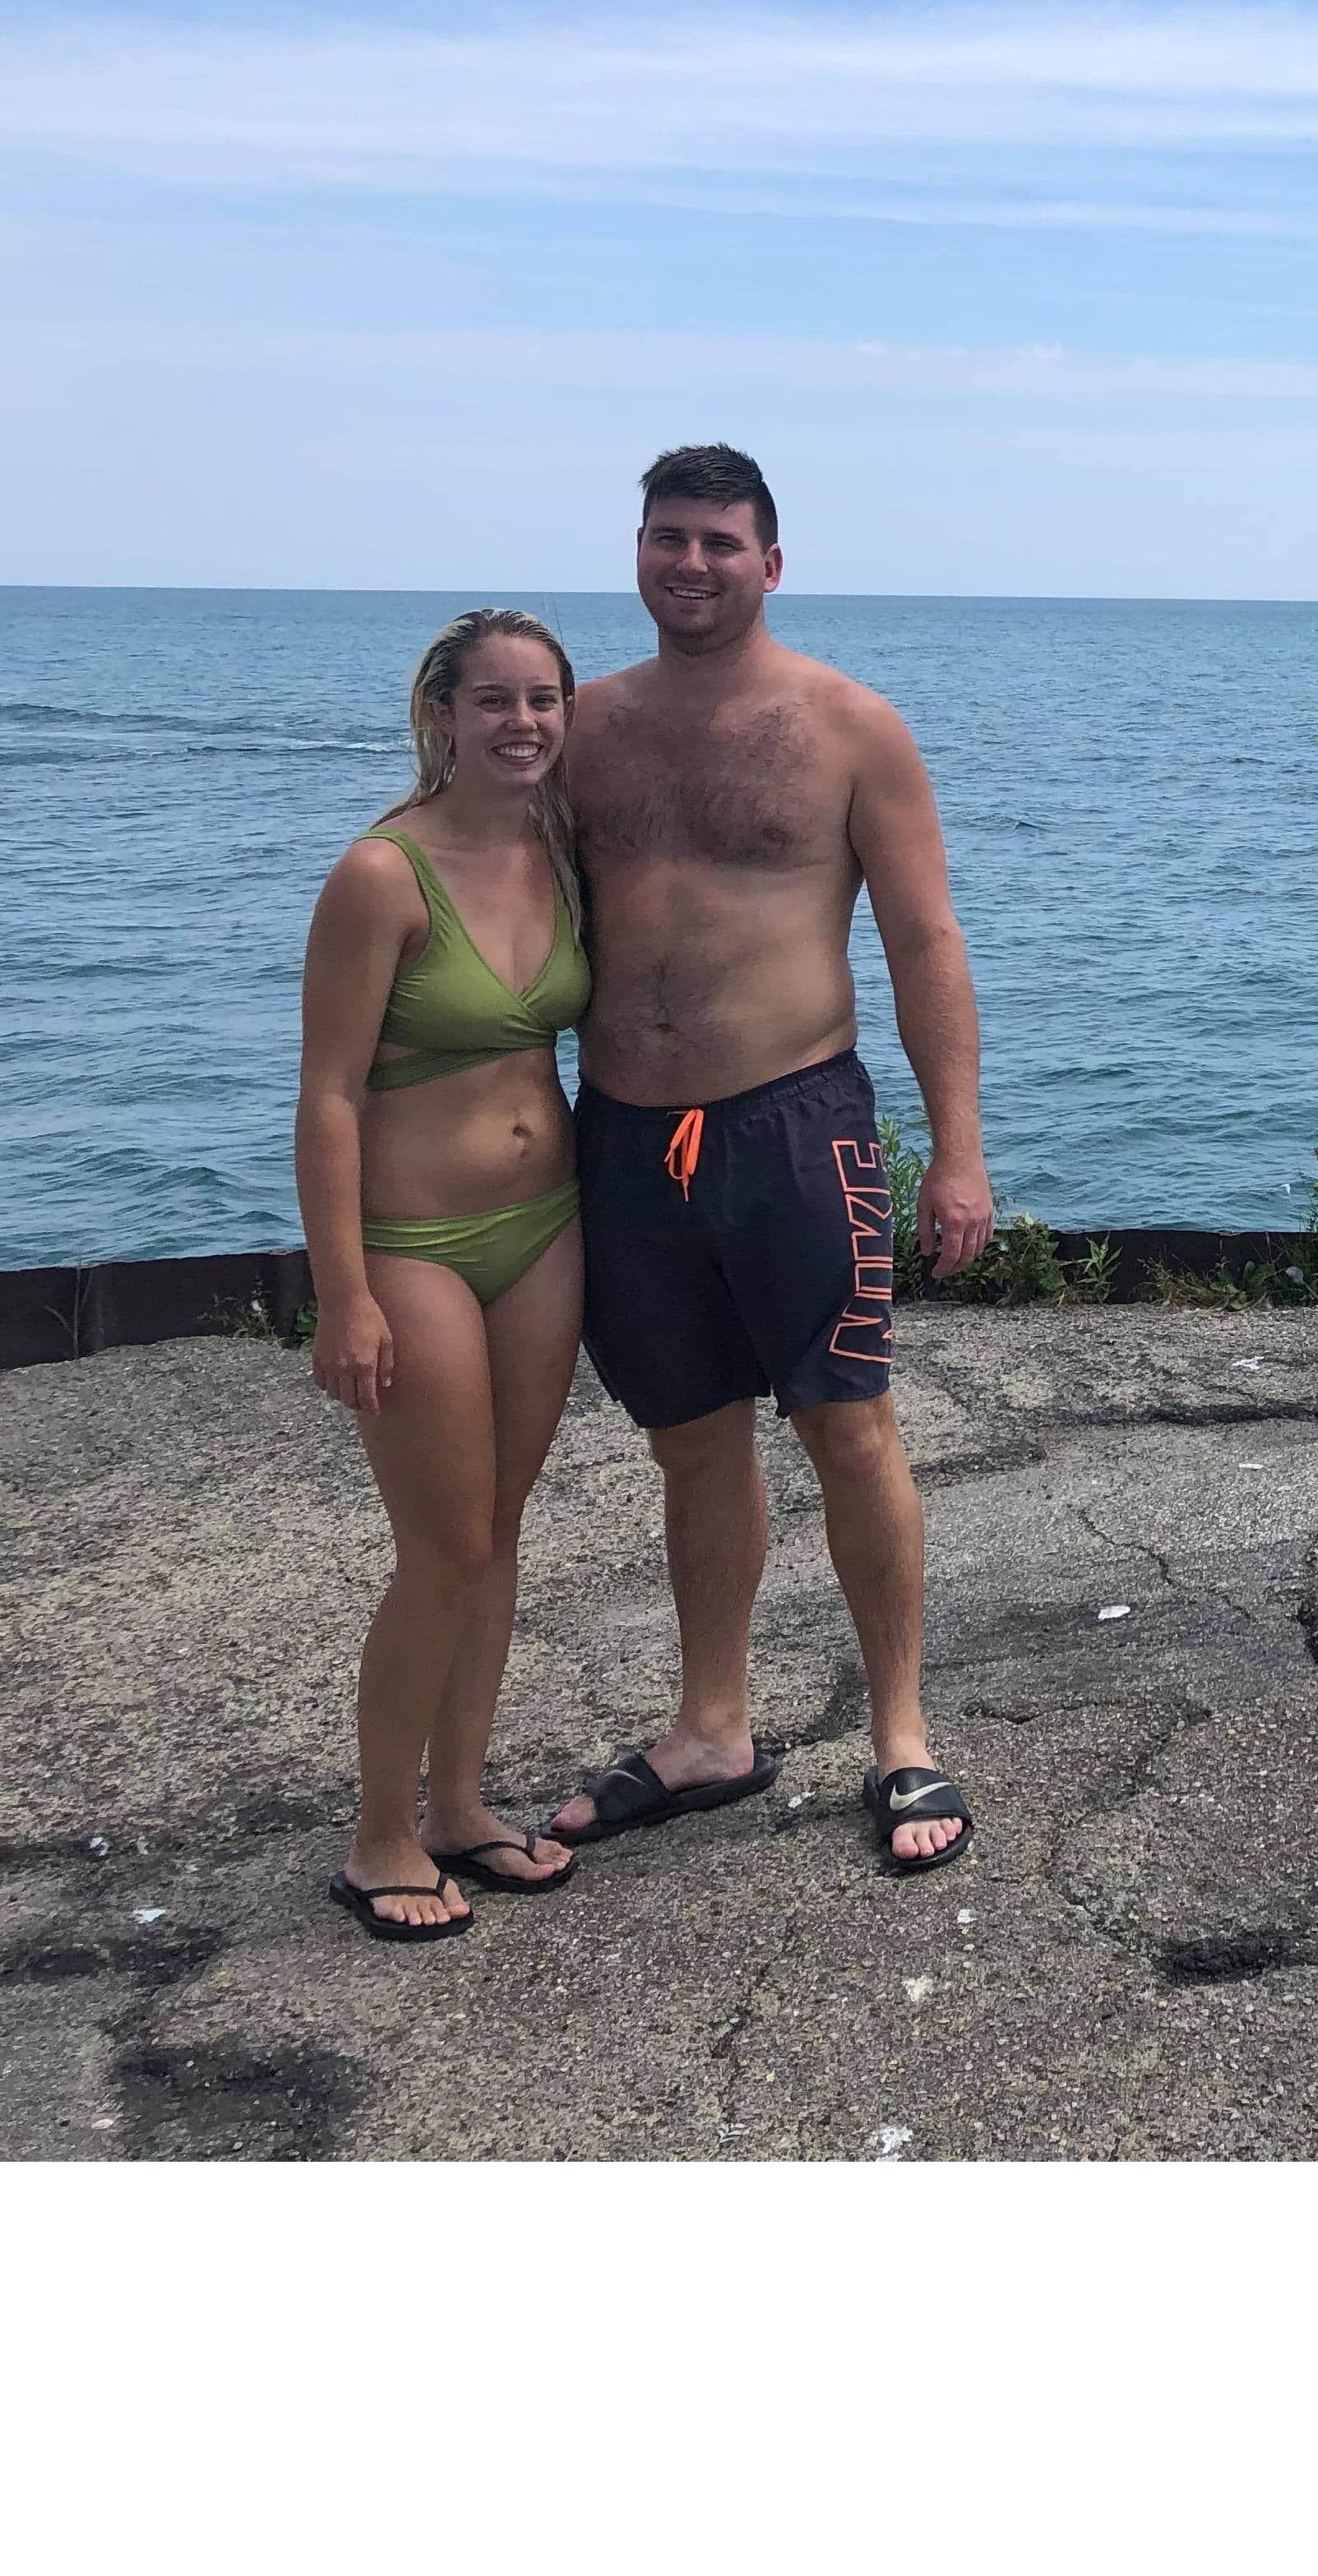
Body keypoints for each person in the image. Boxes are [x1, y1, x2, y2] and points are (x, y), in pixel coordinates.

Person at [545, 444, 994, 1874]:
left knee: (848, 1424)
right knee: (691, 1440)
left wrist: (959, 1154)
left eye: (719, 542)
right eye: (667, 537)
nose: (690, 563)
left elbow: (924, 941)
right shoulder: (583, 729)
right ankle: (712, 1728)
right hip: (622, 1136)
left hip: (793, 1126)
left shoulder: (849, 727)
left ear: (771, 563)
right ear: (637, 550)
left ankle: (903, 1737)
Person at [295, 610, 591, 1940]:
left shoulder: (561, 850)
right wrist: (343, 1289)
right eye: (494, 701)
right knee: (443, 1545)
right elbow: (328, 1095)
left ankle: (462, 1807)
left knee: (504, 1524)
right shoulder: (381, 873)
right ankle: (377, 1839)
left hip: (547, 1226)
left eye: (543, 700)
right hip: (416, 1246)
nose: (521, 723)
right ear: (442, 715)